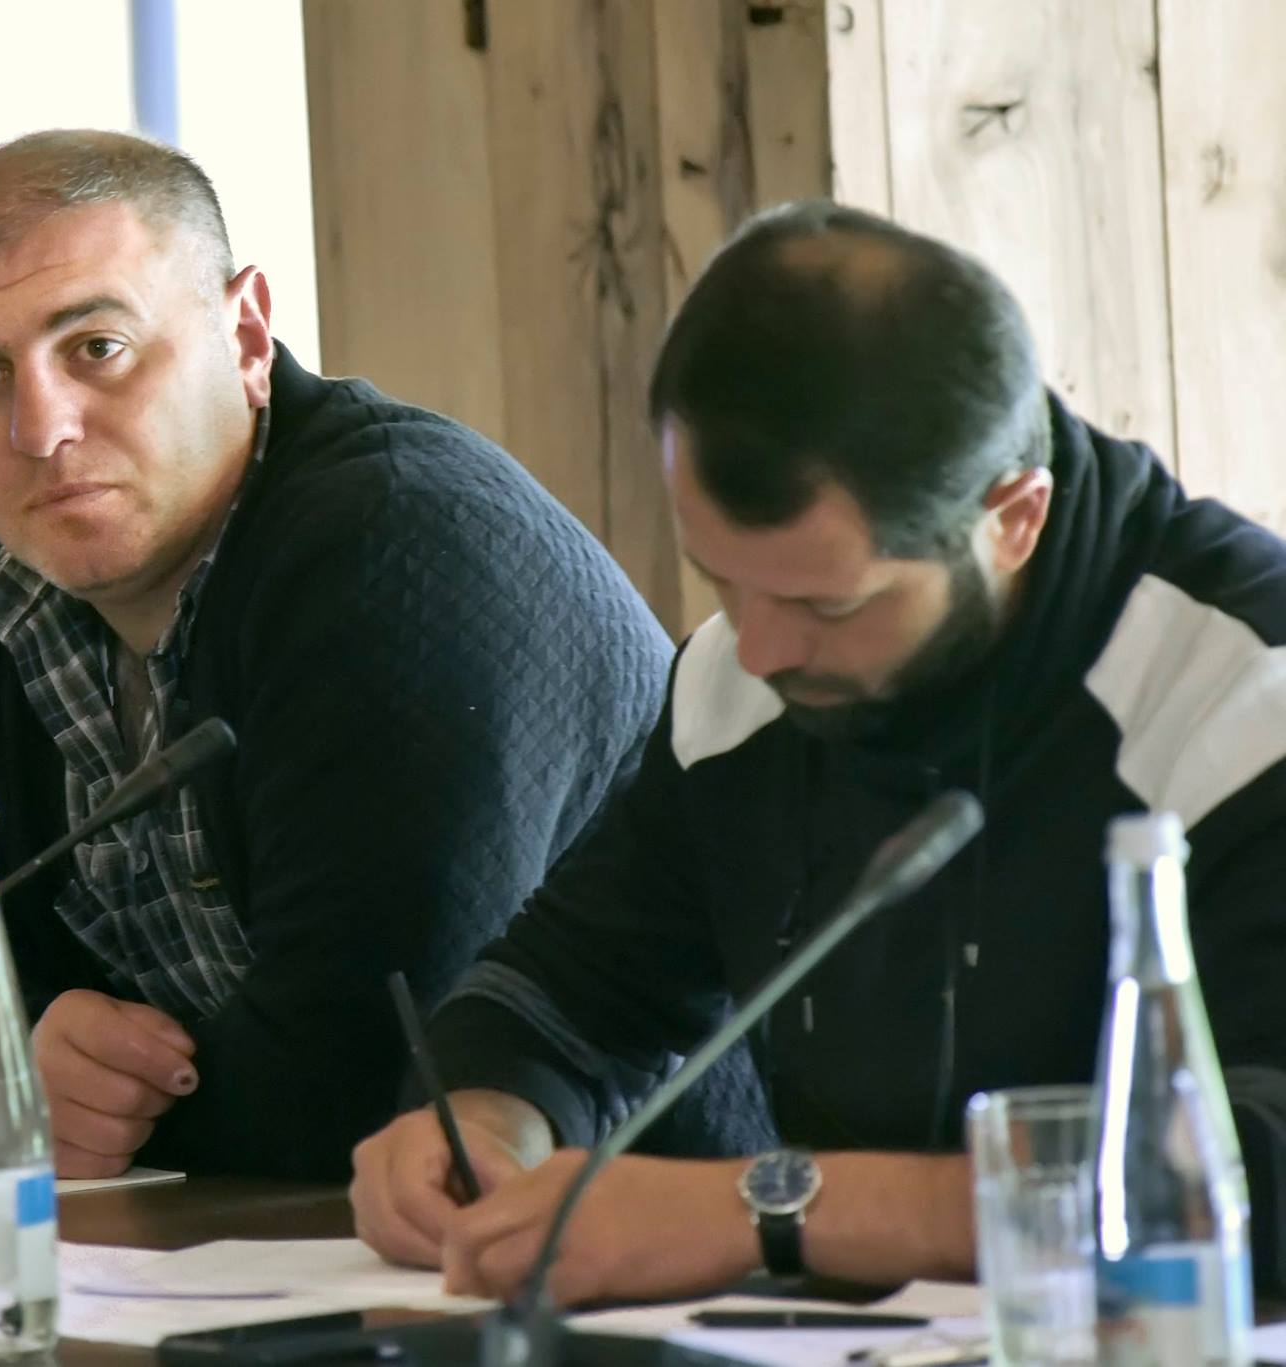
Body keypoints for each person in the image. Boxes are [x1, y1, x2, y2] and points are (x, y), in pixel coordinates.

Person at [350, 201, 1286, 1301]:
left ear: (1012, 519)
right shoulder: (744, 679)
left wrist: (768, 1207)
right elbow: (563, 994)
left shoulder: (1236, 695)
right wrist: (476, 1122)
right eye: (720, 579)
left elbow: (1254, 1167)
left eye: (826, 604)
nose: (759, 647)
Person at [0, 129, 681, 1181]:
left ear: (244, 335)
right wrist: (19, 1061)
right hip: (254, 1247)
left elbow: (372, 1081)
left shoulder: (394, 549)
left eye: (97, 348)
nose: (39, 428)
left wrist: (25, 1100)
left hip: (654, 1241)